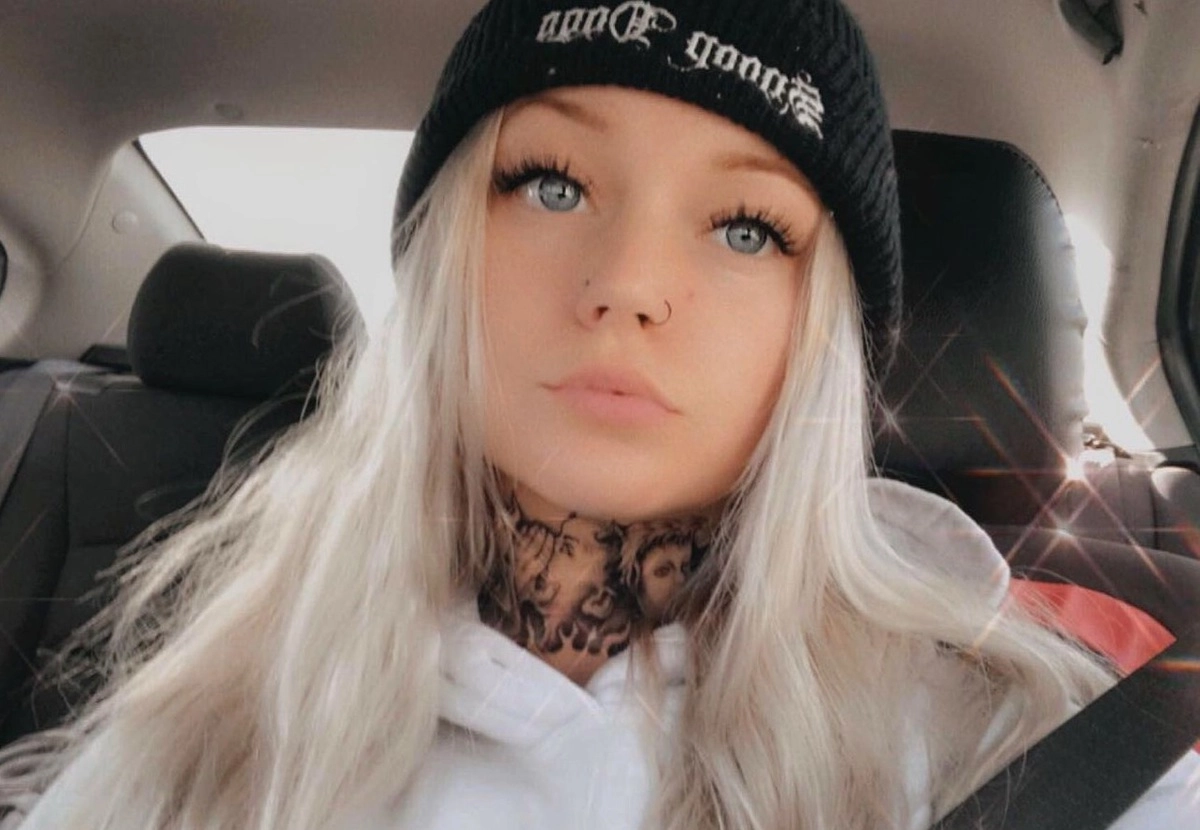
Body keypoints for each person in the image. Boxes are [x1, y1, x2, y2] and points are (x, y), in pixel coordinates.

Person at [1, 0, 1198, 828]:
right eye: (551, 185)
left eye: (747, 229)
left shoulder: (1016, 735)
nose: (627, 282)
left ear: (817, 337)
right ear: (442, 259)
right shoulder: (211, 725)